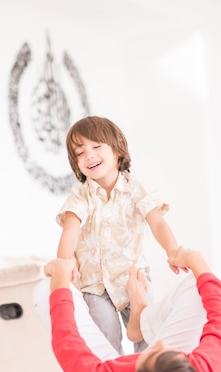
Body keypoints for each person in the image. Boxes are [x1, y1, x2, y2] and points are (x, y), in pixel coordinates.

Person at [40, 246, 221, 372]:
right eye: (173, 356)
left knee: (44, 290)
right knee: (202, 278)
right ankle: (143, 318)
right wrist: (195, 259)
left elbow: (65, 339)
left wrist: (60, 276)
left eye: (153, 355)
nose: (160, 345)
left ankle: (142, 320)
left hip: (105, 370)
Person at [56, 115, 182, 354]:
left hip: (134, 279)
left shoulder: (135, 189)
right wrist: (65, 263)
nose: (88, 156)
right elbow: (70, 230)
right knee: (104, 339)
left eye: (96, 147)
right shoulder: (82, 195)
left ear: (116, 150)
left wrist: (173, 251)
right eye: (79, 153)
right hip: (95, 285)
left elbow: (157, 223)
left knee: (149, 334)